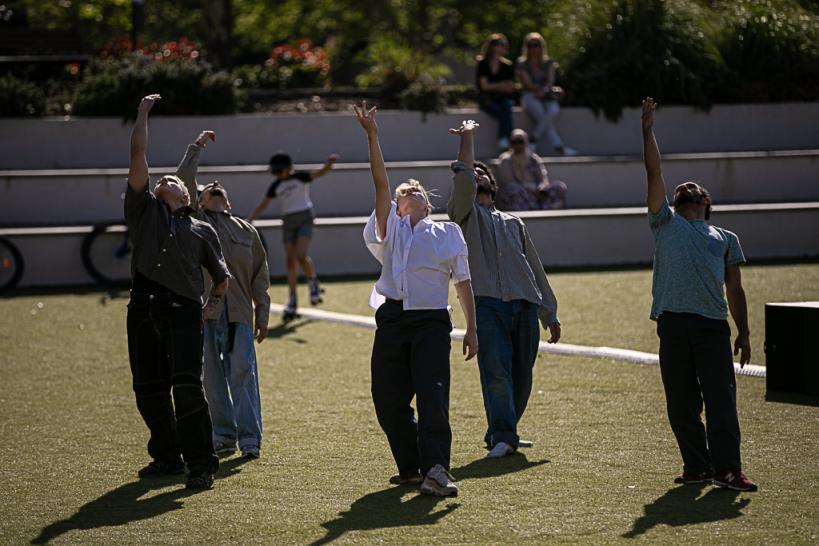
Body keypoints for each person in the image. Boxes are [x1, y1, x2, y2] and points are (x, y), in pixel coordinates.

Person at [354, 100, 479, 497]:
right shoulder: (389, 226)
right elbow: (380, 182)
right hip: (391, 319)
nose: (407, 190)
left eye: (416, 189)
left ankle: (438, 469)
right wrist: (373, 135)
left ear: (428, 203)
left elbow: (462, 284)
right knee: (387, 400)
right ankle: (411, 468)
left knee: (432, 396)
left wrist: (472, 328)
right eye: (402, 190)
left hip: (431, 323)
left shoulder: (447, 233)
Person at [641, 97, 757, 492]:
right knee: (682, 404)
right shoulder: (664, 223)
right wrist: (647, 129)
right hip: (672, 324)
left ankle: (728, 469)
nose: (687, 187)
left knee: (722, 403)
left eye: (695, 188)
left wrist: (743, 331)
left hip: (712, 327)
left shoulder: (725, 238)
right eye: (682, 188)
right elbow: (654, 170)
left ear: (706, 203)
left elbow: (735, 287)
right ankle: (698, 466)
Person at [125, 94, 230, 490]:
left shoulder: (201, 228)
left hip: (184, 310)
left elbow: (220, 278)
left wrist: (212, 306)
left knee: (187, 388)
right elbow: (138, 152)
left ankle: (201, 465)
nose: (165, 179)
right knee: (149, 390)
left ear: (187, 195)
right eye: (161, 180)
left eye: (174, 180)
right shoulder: (142, 211)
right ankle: (166, 457)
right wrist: (142, 113)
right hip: (142, 308)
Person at [447, 119, 561, 459]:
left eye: (483, 175)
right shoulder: (463, 216)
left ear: (493, 185)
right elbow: (464, 178)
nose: (477, 176)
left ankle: (501, 430)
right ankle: (504, 434)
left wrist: (549, 311)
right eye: (473, 175)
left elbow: (535, 269)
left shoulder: (515, 222)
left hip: (524, 303)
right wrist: (467, 142)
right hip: (487, 305)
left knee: (521, 375)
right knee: (496, 372)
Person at [175, 130, 271, 461]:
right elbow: (184, 179)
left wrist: (263, 313)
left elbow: (261, 277)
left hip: (241, 315)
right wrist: (197, 146)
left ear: (228, 202)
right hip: (206, 314)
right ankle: (224, 436)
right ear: (198, 201)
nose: (214, 187)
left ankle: (249, 440)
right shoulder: (195, 222)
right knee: (213, 381)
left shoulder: (247, 230)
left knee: (243, 373)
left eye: (220, 189)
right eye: (207, 190)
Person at [247, 151, 338, 319]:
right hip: (288, 220)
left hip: (305, 216)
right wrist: (249, 220)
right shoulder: (276, 186)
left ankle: (313, 282)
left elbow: (320, 173)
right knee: (290, 261)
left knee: (301, 255)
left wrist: (329, 164)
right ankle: (293, 298)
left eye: (279, 171)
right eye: (275, 172)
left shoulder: (300, 178)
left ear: (289, 168)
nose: (278, 175)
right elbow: (263, 204)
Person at [517, 32, 577, 156]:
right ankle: (560, 147)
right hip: (530, 96)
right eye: (530, 45)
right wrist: (538, 90)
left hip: (546, 95)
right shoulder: (522, 63)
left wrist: (544, 91)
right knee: (541, 114)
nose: (533, 48)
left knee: (553, 110)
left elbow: (550, 81)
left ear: (542, 46)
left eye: (536, 45)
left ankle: (533, 138)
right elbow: (527, 83)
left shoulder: (548, 63)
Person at [495, 128, 568, 211]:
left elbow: (543, 179)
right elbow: (509, 182)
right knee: (513, 189)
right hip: (520, 193)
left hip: (537, 191)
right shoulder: (506, 160)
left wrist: (540, 189)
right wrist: (530, 190)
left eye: (521, 141)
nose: (518, 145)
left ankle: (544, 207)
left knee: (559, 187)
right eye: (515, 142)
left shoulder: (533, 159)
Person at [476, 33, 516, 150]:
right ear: (492, 46)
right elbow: (484, 87)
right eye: (500, 44)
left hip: (502, 98)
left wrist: (493, 86)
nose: (503, 47)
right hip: (487, 99)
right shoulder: (483, 64)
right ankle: (507, 139)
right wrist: (501, 85)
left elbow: (510, 87)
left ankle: (504, 139)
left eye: (504, 44)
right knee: (503, 112)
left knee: (507, 106)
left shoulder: (507, 66)